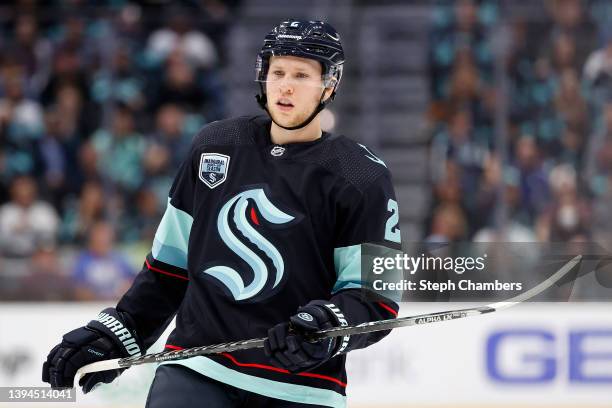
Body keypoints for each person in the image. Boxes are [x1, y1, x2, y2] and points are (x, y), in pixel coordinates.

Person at [42, 19, 401, 408]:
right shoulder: (216, 146)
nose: (286, 85)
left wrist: (330, 325)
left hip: (301, 388)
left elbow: (374, 298)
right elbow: (168, 268)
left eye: (302, 75)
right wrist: (122, 331)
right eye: (278, 71)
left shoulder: (362, 176)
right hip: (196, 369)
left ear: (329, 84)